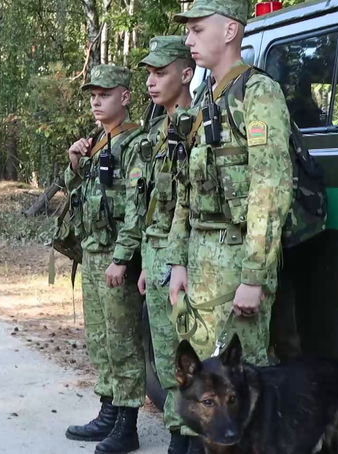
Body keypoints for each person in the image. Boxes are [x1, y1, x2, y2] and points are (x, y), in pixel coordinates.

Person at [164, 0, 294, 441]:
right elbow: (185, 188)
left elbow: (270, 186)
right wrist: (175, 263)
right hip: (200, 262)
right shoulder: (202, 105)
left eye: (199, 29)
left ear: (232, 30)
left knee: (244, 391)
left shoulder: (258, 94)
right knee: (206, 391)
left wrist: (254, 276)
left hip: (239, 261)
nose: (190, 39)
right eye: (188, 30)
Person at [63, 64, 146, 454]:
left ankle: (127, 422)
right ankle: (108, 411)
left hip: (115, 259)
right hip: (94, 253)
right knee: (99, 339)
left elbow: (136, 208)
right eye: (93, 95)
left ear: (125, 97)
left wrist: (124, 257)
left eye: (105, 94)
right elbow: (83, 195)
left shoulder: (135, 144)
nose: (97, 101)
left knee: (123, 341)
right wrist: (75, 163)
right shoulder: (98, 141)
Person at [128, 35, 195, 454]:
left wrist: (175, 261)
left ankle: (187, 439)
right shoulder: (158, 129)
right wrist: (144, 264)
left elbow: (192, 201)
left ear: (185, 74)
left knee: (186, 356)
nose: (151, 82)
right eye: (149, 74)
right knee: (167, 356)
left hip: (182, 256)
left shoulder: (197, 125)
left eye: (161, 73)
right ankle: (177, 437)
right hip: (156, 255)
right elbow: (150, 200)